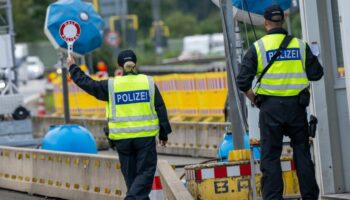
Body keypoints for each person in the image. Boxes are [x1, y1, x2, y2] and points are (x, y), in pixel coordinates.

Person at [237, 5, 323, 200]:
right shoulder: (300, 45)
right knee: (302, 154)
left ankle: (273, 197)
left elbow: (242, 82)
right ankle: (310, 196)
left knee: (270, 157)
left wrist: (256, 100)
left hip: (270, 109)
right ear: (283, 20)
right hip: (297, 108)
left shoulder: (258, 47)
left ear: (266, 22)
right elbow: (316, 74)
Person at [67, 49, 172, 200]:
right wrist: (164, 133)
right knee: (145, 173)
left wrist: (73, 67)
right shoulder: (147, 82)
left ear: (119, 66)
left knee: (131, 179)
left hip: (122, 140)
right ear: (135, 63)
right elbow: (160, 107)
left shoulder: (111, 86)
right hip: (145, 138)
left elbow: (88, 84)